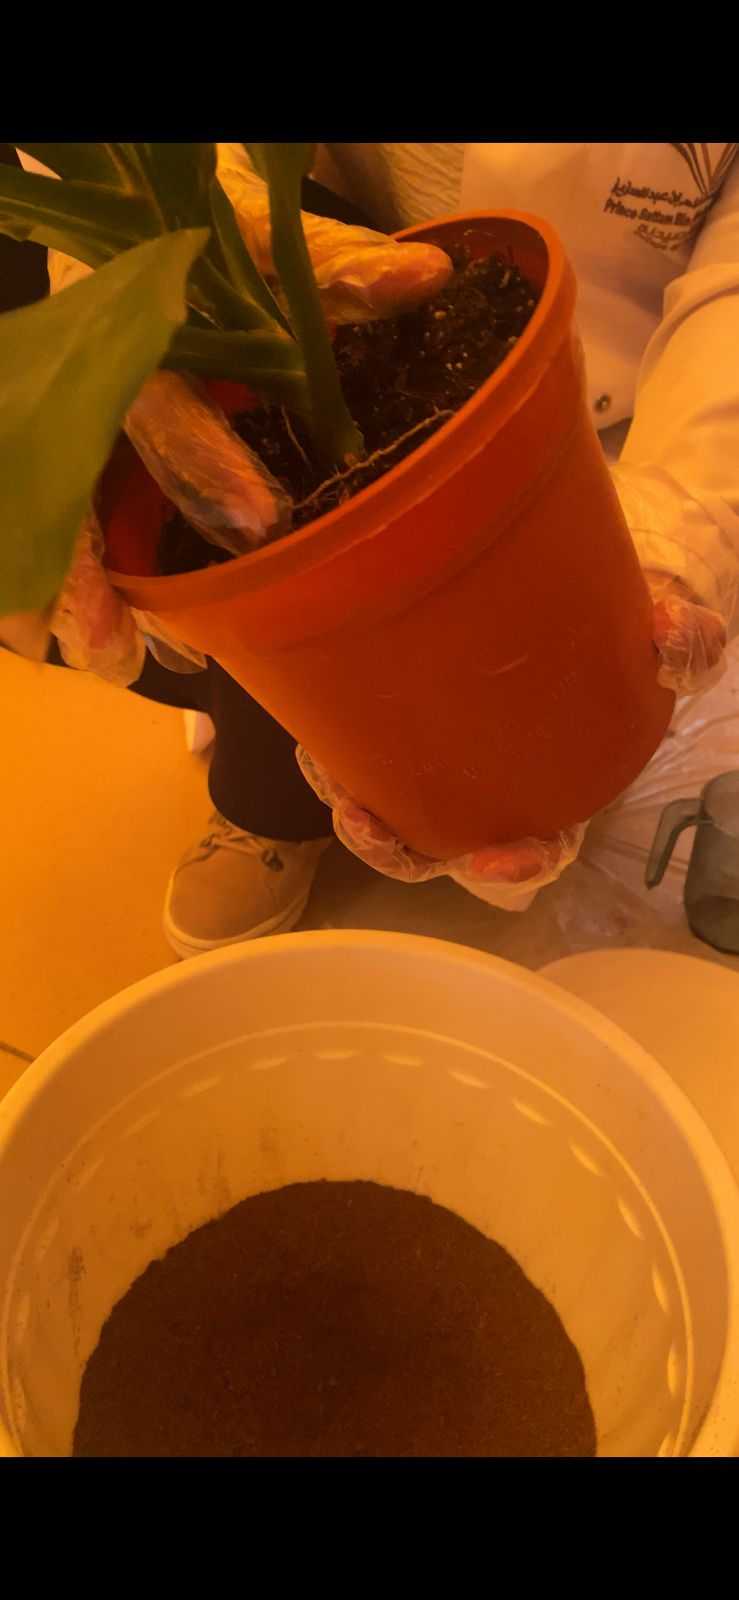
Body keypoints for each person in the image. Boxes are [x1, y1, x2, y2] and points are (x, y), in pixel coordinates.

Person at [2, 142, 737, 954]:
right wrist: (125, 276)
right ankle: (270, 816)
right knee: (268, 621)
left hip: (590, 382)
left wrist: (671, 532)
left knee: (567, 689)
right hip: (330, 270)